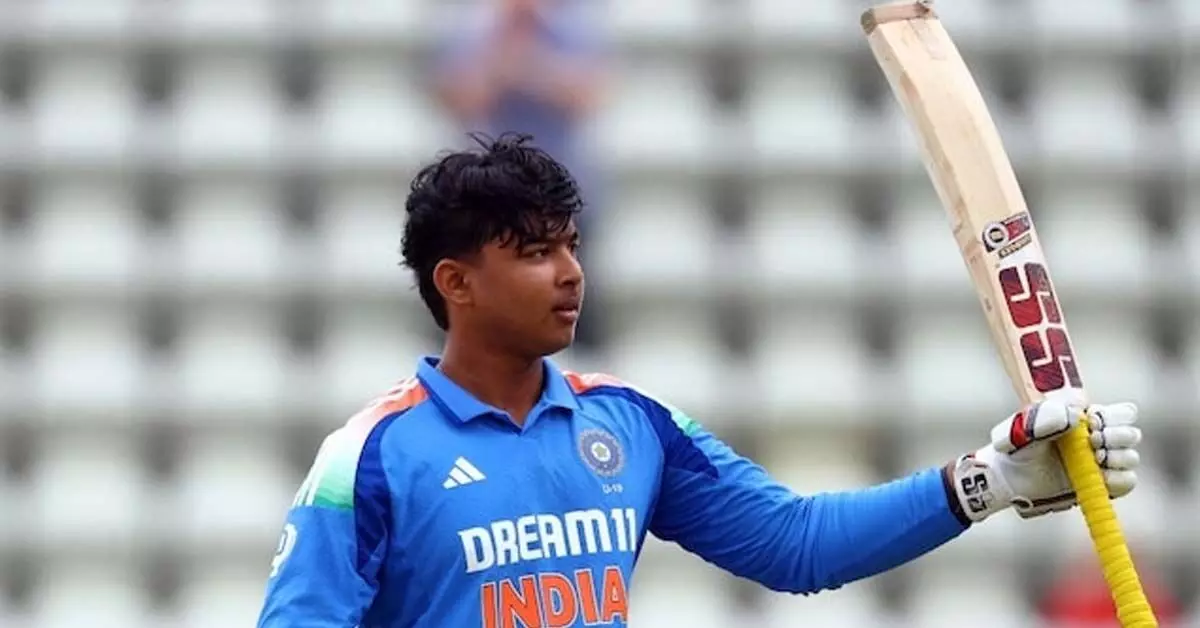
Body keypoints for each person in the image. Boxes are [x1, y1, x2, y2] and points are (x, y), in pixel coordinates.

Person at [255, 134, 1145, 627]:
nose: (570, 272)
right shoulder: (370, 457)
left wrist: (988, 482)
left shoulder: (629, 423)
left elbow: (796, 546)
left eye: (572, 245)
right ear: (456, 283)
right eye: (533, 253)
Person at [430, 0, 607, 350]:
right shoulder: (471, 30)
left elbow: (589, 95)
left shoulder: (574, 30)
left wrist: (531, 69)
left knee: (567, 283)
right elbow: (459, 97)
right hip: (490, 192)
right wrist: (499, 66)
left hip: (561, 189)